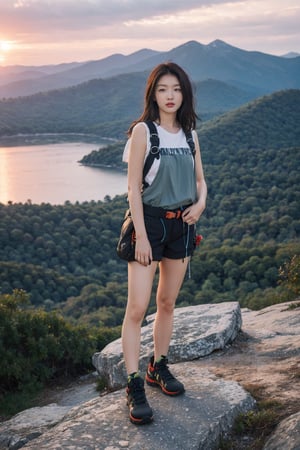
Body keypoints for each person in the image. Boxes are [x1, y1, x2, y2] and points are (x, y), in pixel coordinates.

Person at [121, 62, 207, 425]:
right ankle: (133, 383)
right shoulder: (144, 132)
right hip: (150, 225)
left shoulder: (189, 133)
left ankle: (158, 366)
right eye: (163, 89)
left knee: (167, 302)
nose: (170, 96)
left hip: (182, 225)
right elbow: (132, 190)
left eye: (176, 89)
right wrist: (141, 235)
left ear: (184, 94)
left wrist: (201, 204)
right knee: (138, 307)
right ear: (152, 93)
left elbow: (202, 181)